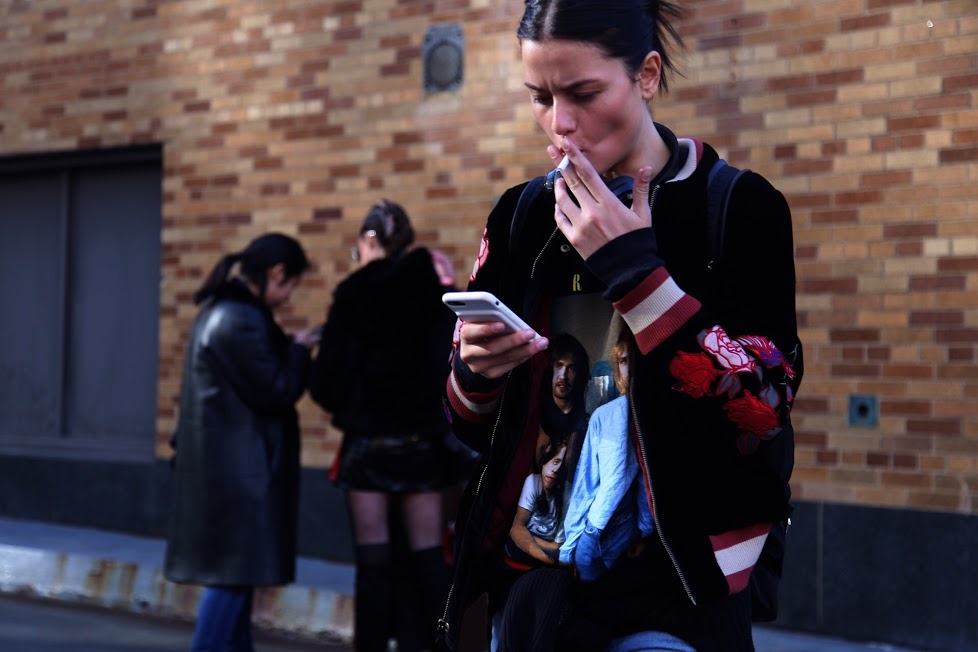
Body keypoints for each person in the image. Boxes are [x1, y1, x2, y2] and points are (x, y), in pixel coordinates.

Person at [437, 1, 804, 651]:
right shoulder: (521, 215)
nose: (560, 124)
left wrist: (635, 273)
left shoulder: (737, 208)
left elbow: (765, 405)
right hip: (536, 586)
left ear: (647, 75)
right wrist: (476, 373)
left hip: (678, 589)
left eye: (582, 93)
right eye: (539, 97)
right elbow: (467, 420)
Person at [308, 199, 457, 652]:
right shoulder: (434, 293)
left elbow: (326, 384)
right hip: (420, 445)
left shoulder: (352, 295)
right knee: (428, 559)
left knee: (373, 562)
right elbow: (449, 365)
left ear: (370, 240)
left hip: (369, 445)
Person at [164, 233, 320, 652]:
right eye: (290, 286)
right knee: (231, 582)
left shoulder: (225, 312)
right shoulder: (239, 319)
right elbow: (276, 388)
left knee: (236, 583)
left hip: (229, 473)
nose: (288, 298)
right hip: (239, 479)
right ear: (276, 273)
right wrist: (300, 352)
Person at [559, 328, 653, 583]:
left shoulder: (655, 416)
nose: (629, 368)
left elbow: (648, 482)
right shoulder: (604, 415)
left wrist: (644, 531)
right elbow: (586, 481)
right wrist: (571, 545)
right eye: (623, 361)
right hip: (595, 529)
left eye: (634, 359)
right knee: (589, 597)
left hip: (630, 531)